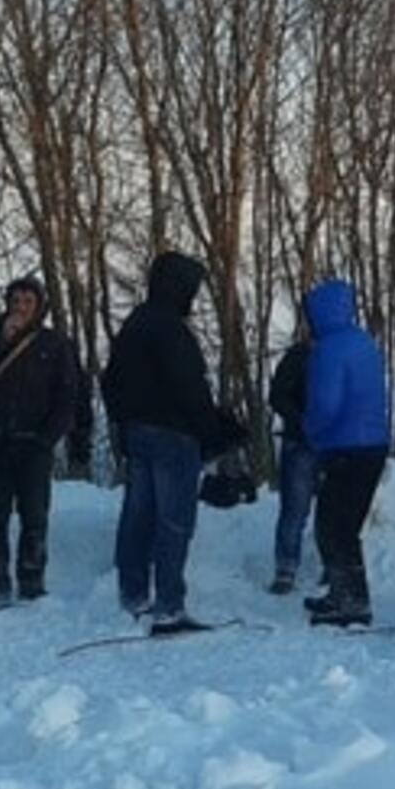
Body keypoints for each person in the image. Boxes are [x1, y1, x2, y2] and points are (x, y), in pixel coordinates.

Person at [100, 251, 239, 634]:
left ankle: (133, 596)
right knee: (174, 521)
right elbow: (189, 388)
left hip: (138, 433)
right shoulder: (171, 329)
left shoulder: (136, 323)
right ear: (181, 287)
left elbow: (110, 381)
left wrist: (125, 422)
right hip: (175, 437)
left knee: (138, 516)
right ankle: (169, 606)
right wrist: (214, 432)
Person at [0, 273, 79, 610]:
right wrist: (1, 346)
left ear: (39, 306)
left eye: (28, 301)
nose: (21, 307)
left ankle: (31, 581)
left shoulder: (55, 345)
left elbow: (67, 397)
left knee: (35, 517)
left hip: (33, 444)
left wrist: (48, 439)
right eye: (16, 300)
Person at [294, 277, 389, 628]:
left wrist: (311, 431)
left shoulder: (329, 350)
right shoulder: (364, 343)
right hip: (372, 444)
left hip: (344, 446)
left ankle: (352, 602)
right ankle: (342, 593)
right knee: (344, 524)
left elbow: (326, 404)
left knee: (334, 527)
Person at [265, 326, 315, 595]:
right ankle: (285, 568)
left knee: (331, 512)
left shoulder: (332, 354)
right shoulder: (297, 356)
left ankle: (331, 567)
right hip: (300, 441)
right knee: (295, 509)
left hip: (329, 443)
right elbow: (277, 396)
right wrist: (300, 421)